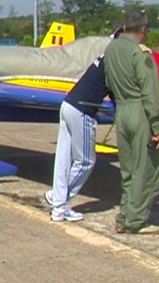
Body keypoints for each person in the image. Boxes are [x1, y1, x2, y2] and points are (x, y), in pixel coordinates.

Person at [104, 11, 159, 235]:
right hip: (140, 112)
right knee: (146, 168)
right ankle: (135, 221)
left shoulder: (111, 49)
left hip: (121, 110)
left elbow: (108, 81)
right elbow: (150, 92)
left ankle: (125, 215)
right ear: (143, 29)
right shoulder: (141, 54)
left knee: (128, 169)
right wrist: (157, 127)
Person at [44, 53, 110, 222]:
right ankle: (59, 202)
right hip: (82, 110)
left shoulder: (103, 58)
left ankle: (58, 204)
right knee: (85, 161)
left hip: (68, 104)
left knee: (63, 159)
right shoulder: (114, 61)